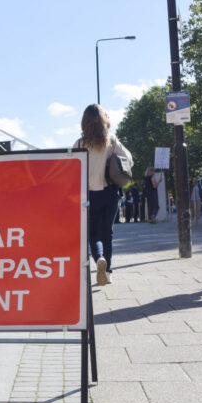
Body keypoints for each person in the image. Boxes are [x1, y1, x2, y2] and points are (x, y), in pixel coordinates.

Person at [73, 104, 133, 286]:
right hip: (109, 194)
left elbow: (72, 168)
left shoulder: (79, 144)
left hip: (88, 196)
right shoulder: (112, 142)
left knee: (93, 233)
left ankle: (99, 258)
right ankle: (107, 272)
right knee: (108, 232)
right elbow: (129, 160)